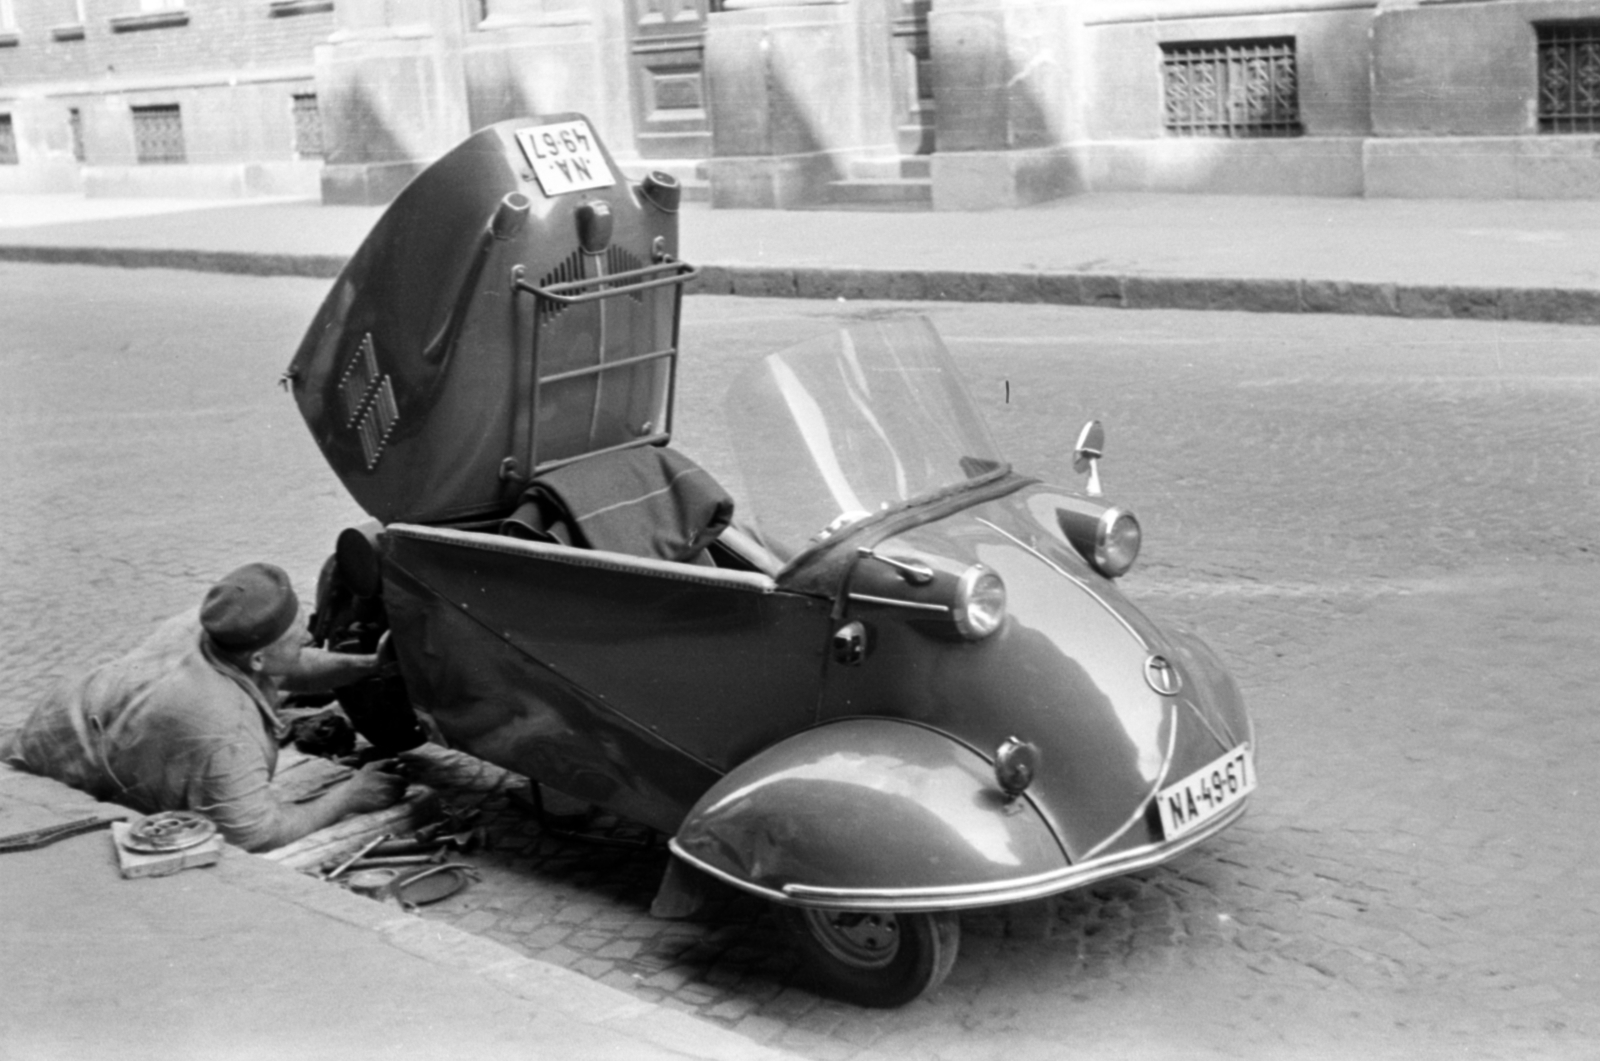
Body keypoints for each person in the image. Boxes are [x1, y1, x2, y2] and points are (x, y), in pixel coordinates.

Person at [1, 562, 407, 851]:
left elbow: (289, 664)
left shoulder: (214, 627)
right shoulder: (225, 728)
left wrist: (368, 666)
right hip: (44, 787)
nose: (307, 637)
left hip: (60, 725)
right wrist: (349, 796)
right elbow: (254, 834)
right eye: (297, 634)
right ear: (258, 659)